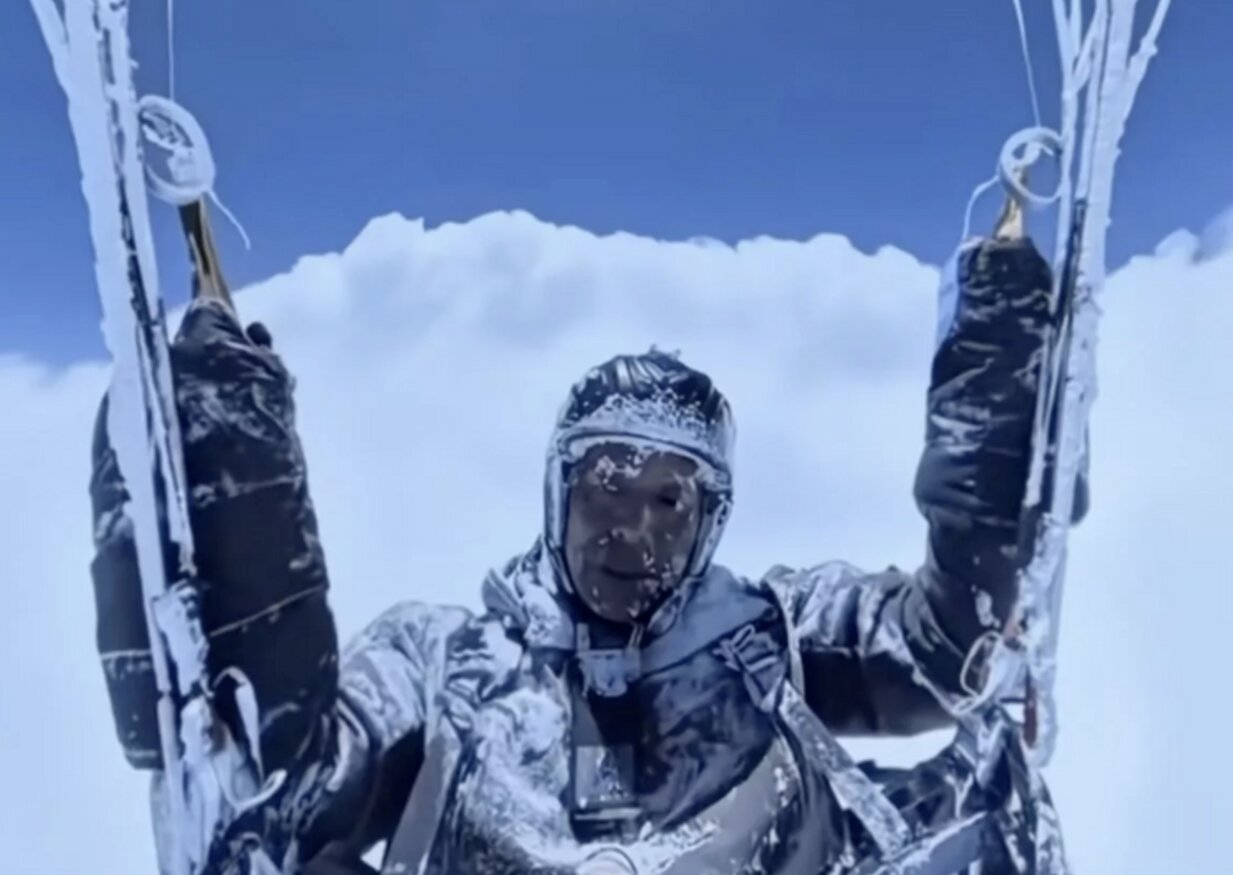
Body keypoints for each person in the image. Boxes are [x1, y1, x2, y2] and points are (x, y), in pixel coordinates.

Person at [89, 224, 1071, 875]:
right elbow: (292, 787)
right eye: (606, 482)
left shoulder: (774, 630)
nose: (631, 527)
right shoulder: (445, 661)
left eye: (669, 498)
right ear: (559, 486)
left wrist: (997, 374)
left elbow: (945, 651)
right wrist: (238, 467)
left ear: (710, 517)